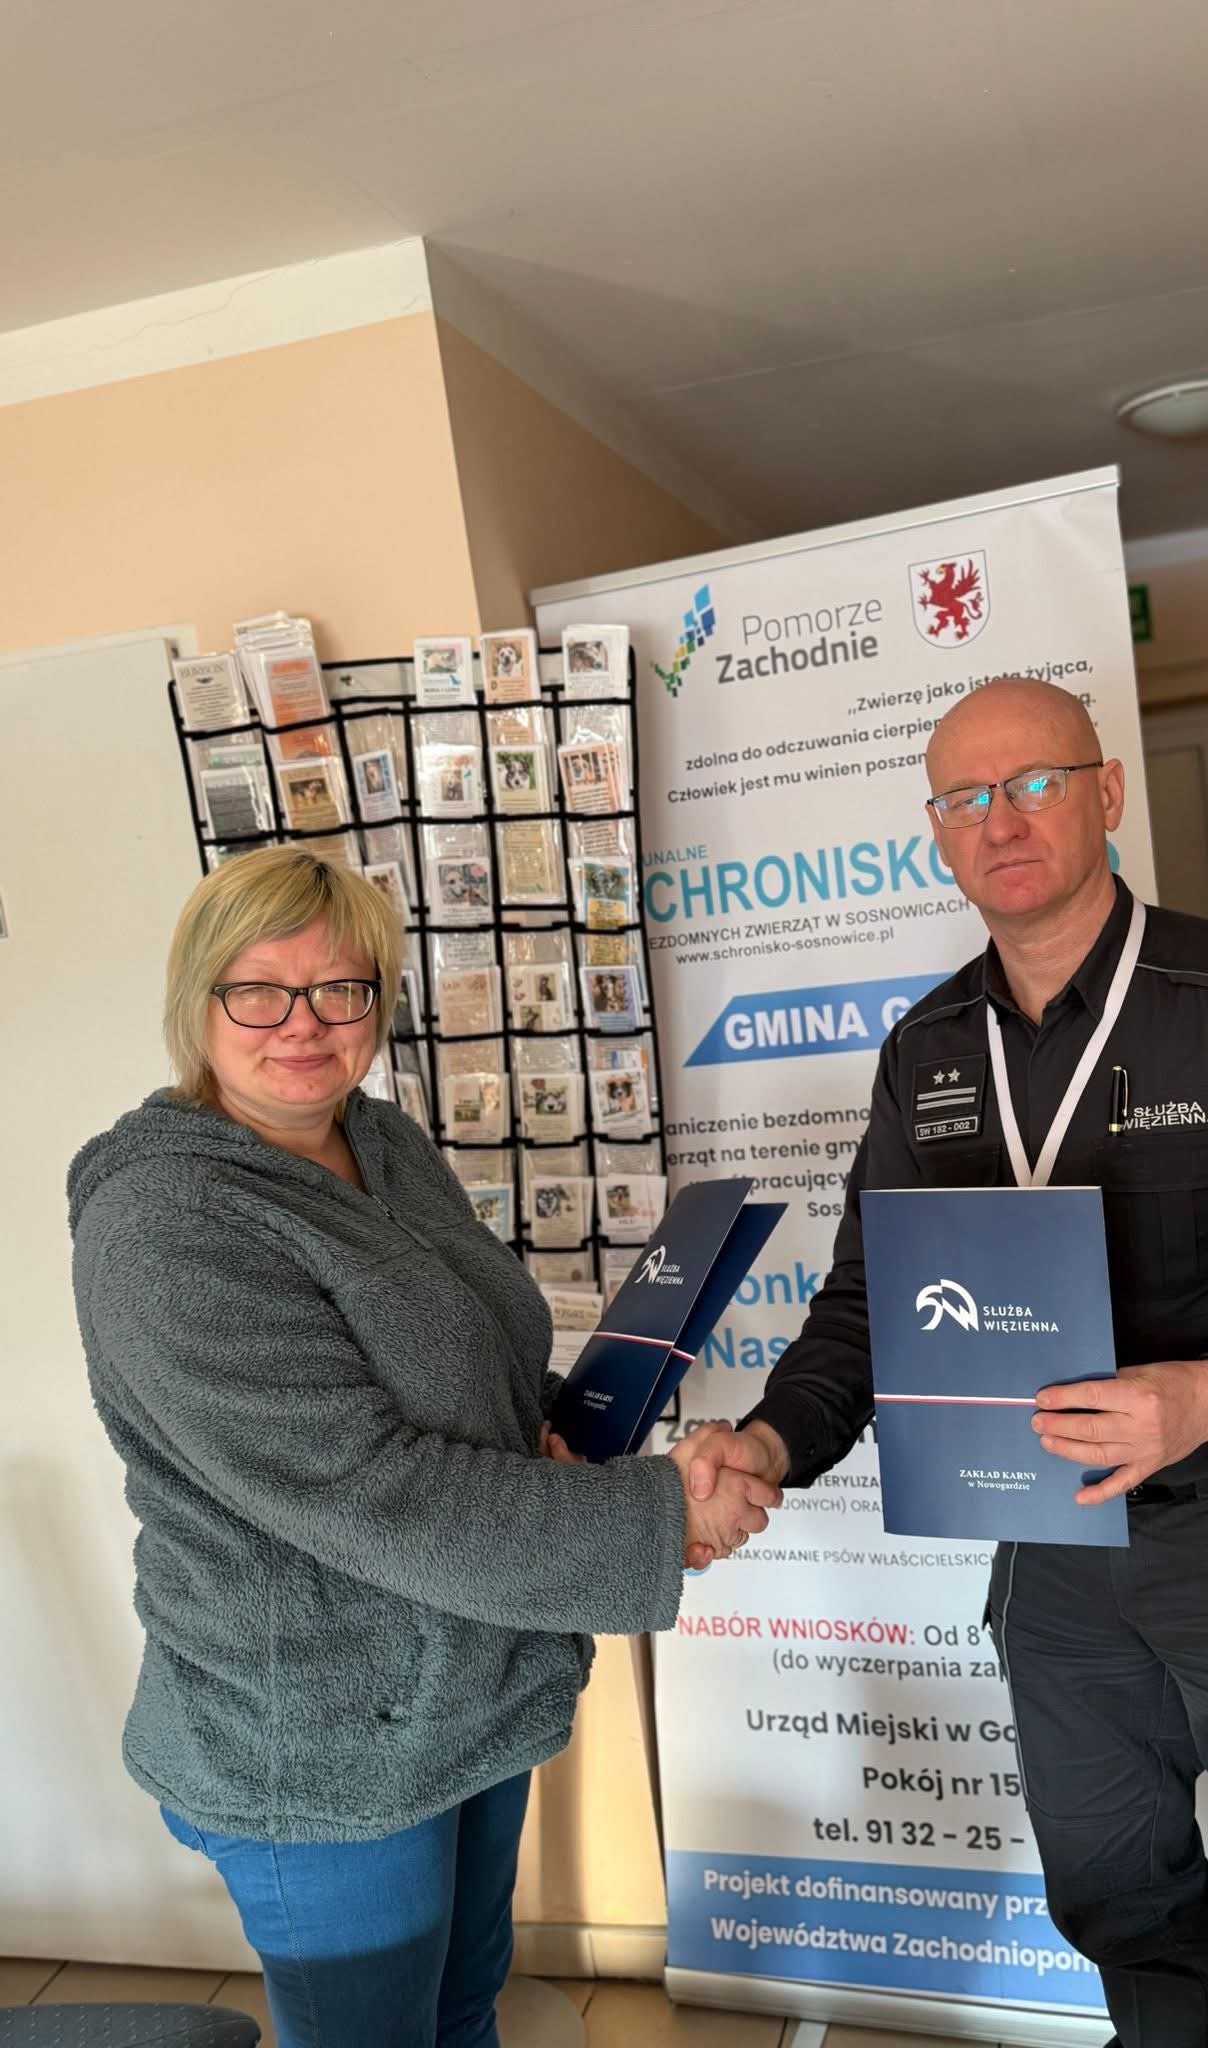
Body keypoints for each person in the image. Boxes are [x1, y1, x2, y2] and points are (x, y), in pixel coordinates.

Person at [678, 677, 1208, 2048]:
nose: (1002, 820)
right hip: (1048, 1556)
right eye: (965, 798)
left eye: (1035, 783)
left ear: (1106, 793)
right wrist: (770, 1440)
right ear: (936, 829)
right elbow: (869, 1305)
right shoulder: (926, 1049)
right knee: (1121, 1908)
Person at [69, 846, 777, 2048]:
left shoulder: (381, 1141)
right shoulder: (164, 1225)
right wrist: (658, 1512)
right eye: (260, 989)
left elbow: (468, 1360)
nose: (304, 1023)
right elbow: (372, 1489)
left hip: (464, 1683)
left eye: (340, 989)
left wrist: (571, 1428)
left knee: (459, 2007)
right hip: (320, 1736)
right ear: (198, 1001)